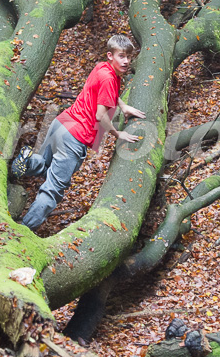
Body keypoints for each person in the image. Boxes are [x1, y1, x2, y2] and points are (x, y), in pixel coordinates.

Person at [11, 35, 146, 231]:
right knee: (54, 189)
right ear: (111, 55)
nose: (126, 61)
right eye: (122, 56)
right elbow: (101, 115)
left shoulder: (102, 68)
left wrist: (123, 106)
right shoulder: (110, 78)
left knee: (48, 165)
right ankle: (24, 229)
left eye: (129, 57)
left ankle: (26, 161)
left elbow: (107, 93)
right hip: (74, 136)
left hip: (61, 123)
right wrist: (118, 134)